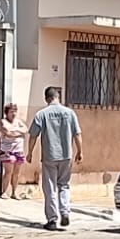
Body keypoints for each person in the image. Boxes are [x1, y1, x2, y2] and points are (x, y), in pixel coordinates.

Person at [27, 86, 82, 230]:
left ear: (46, 98)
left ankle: (52, 219)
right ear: (58, 97)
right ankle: (65, 211)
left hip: (49, 156)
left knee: (50, 187)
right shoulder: (70, 113)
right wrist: (80, 151)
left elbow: (33, 135)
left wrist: (30, 152)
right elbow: (77, 134)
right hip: (66, 155)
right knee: (64, 185)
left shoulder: (42, 114)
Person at [0, 102, 28, 198]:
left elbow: (25, 129)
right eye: (11, 112)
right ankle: (4, 192)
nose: (13, 114)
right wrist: (18, 132)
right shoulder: (3, 122)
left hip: (19, 150)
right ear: (7, 112)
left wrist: (15, 131)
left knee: (16, 173)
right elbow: (8, 133)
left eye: (15, 111)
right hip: (8, 151)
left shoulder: (18, 121)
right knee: (8, 172)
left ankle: (14, 192)